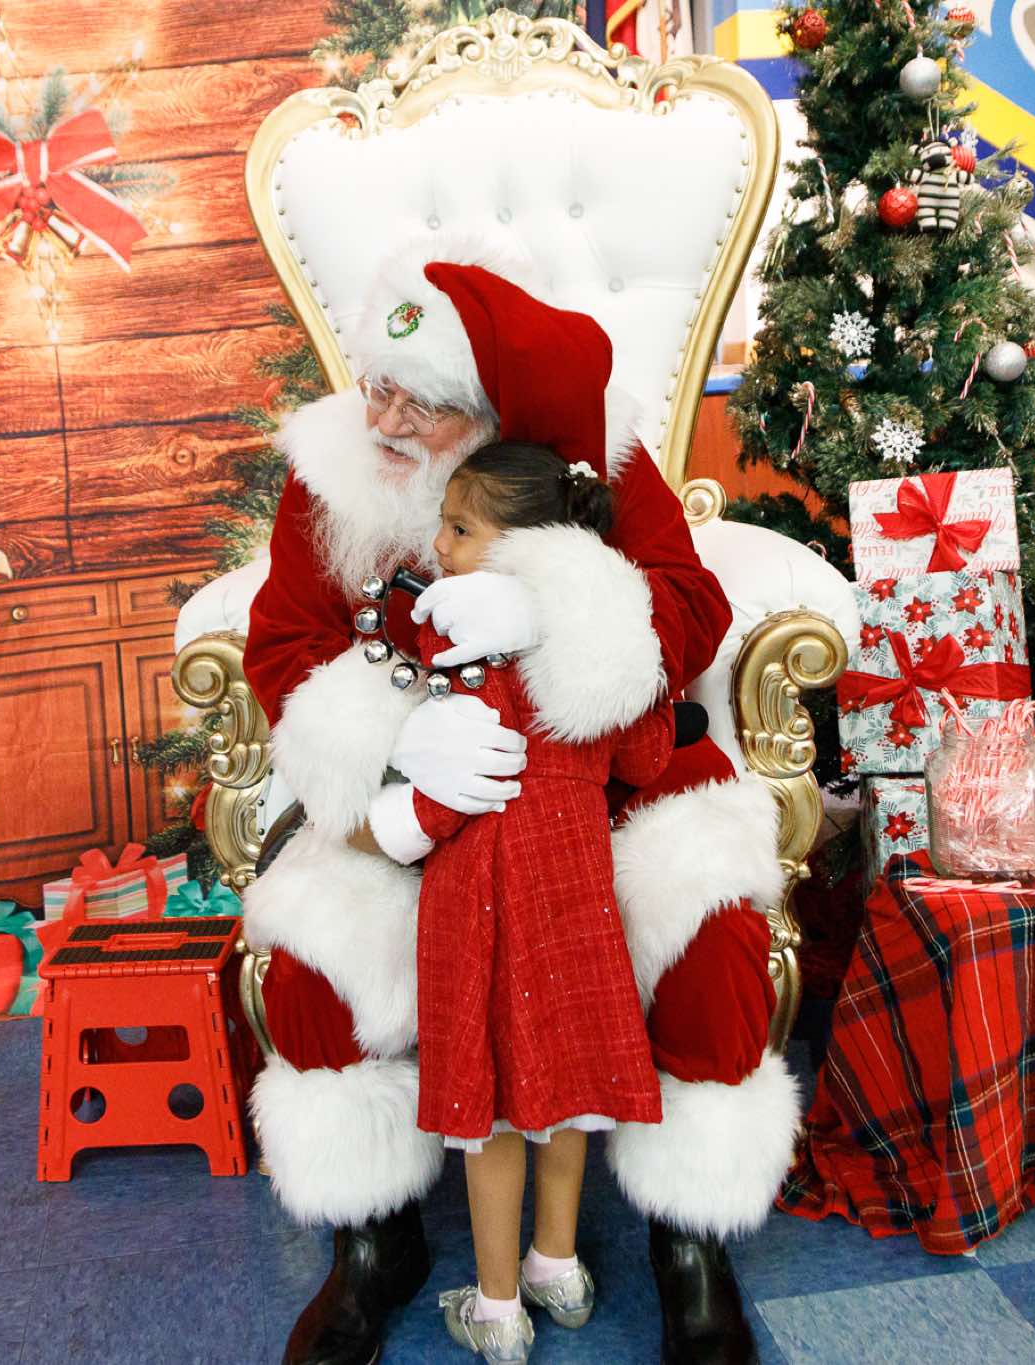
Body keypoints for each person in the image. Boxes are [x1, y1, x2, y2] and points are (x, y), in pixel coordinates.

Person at [240, 252, 800, 1365]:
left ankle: (688, 1240)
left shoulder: (595, 462)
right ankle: (375, 1238)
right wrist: (396, 737)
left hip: (597, 785)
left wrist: (563, 619)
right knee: (309, 953)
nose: (385, 421)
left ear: (498, 420)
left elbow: (689, 606)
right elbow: (285, 642)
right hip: (410, 799)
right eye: (379, 387)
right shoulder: (334, 476)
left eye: (423, 405)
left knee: (716, 938)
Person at [392, 441, 675, 1362]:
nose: (438, 546)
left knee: (496, 1111)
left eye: (460, 528)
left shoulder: (462, 639)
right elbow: (645, 760)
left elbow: (447, 784)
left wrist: (398, 820)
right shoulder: (601, 646)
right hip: (573, 893)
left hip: (479, 890)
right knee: (566, 1089)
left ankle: (499, 1305)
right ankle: (558, 1263)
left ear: (522, 546)